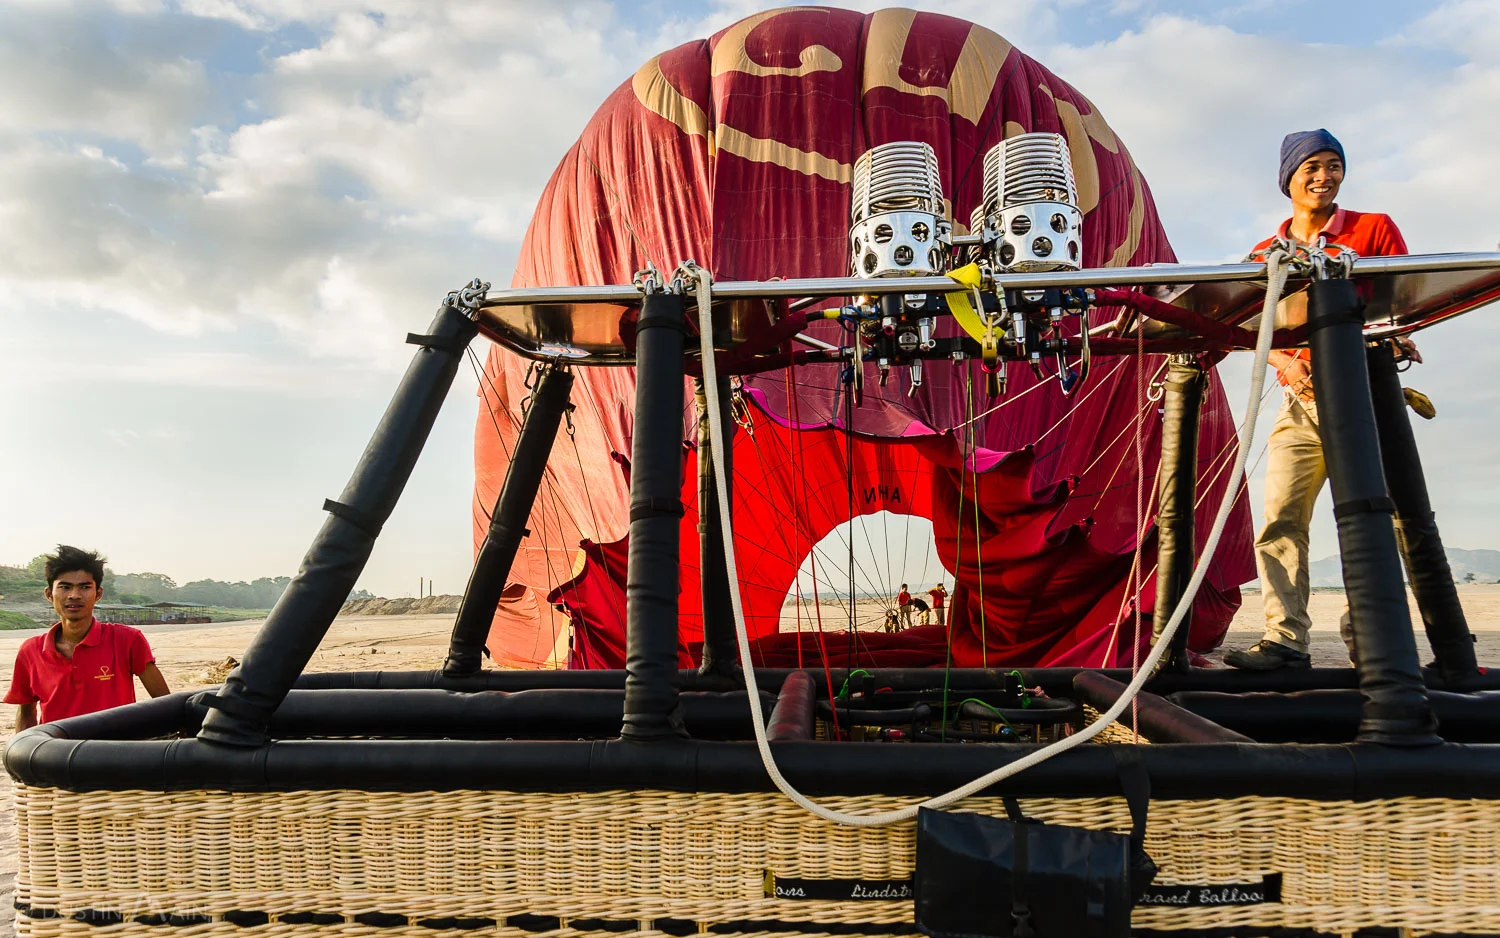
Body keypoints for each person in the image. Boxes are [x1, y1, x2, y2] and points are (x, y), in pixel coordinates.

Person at [1224, 129, 1419, 670]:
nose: (1324, 176)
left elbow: (1399, 300)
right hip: (1301, 402)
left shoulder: (1373, 229)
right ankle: (1286, 641)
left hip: (1365, 394)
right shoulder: (1266, 254)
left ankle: (1374, 635)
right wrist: (1290, 367)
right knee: (1281, 517)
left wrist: (1397, 333)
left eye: (1334, 165)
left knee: (1386, 519)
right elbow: (1252, 328)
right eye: (1311, 166)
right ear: (1288, 178)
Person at [6, 545, 171, 731]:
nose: (74, 595)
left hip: (117, 753)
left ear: (98, 594)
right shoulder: (31, 651)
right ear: (49, 594)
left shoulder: (128, 640)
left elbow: (164, 704)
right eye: (64, 587)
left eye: (84, 587)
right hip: (56, 754)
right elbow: (27, 714)